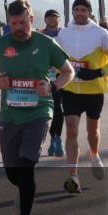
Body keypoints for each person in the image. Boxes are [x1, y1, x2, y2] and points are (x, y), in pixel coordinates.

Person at [0, 0, 74, 215]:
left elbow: (68, 71)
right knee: (13, 173)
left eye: (23, 22)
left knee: (26, 164)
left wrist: (53, 86)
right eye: (14, 23)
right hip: (10, 114)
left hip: (39, 111)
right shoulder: (1, 44)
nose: (19, 27)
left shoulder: (46, 43)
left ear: (31, 20)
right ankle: (23, 192)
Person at [56, 0, 108, 194]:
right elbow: (55, 58)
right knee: (72, 130)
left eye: (83, 10)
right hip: (71, 90)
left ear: (89, 13)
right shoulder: (63, 33)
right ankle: (73, 175)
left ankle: (94, 154)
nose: (79, 13)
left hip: (94, 90)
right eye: (76, 9)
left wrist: (98, 72)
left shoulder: (100, 33)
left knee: (92, 132)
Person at [40, 9, 66, 157]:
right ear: (45, 19)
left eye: (54, 17)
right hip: (45, 76)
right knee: (49, 110)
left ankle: (57, 138)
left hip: (62, 76)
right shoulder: (40, 35)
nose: (52, 19)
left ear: (59, 19)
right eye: (49, 17)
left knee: (59, 109)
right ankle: (52, 138)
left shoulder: (65, 34)